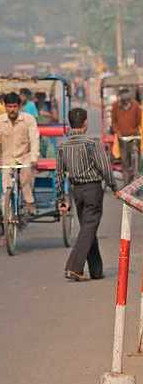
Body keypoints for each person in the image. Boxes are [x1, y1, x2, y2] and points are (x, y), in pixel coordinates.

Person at [57, 108, 116, 281]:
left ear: (70, 124)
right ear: (85, 123)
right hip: (92, 189)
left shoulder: (63, 146)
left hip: (77, 192)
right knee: (89, 228)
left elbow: (59, 175)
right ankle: (74, 267)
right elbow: (105, 167)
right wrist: (114, 187)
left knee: (88, 228)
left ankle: (96, 270)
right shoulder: (92, 143)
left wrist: (61, 198)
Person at [0, 92, 40, 215]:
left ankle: (29, 202)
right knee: (6, 186)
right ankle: (7, 215)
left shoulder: (28, 119)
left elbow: (34, 139)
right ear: (5, 106)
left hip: (25, 157)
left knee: (25, 180)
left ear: (19, 106)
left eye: (14, 106)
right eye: (9, 107)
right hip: (7, 159)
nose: (12, 110)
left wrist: (34, 158)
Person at [111, 87, 141, 185]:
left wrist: (135, 131)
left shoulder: (136, 106)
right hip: (122, 139)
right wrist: (117, 132)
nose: (126, 102)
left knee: (136, 161)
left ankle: (135, 180)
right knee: (125, 162)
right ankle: (126, 184)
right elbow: (114, 122)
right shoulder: (116, 106)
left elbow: (139, 121)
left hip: (134, 137)